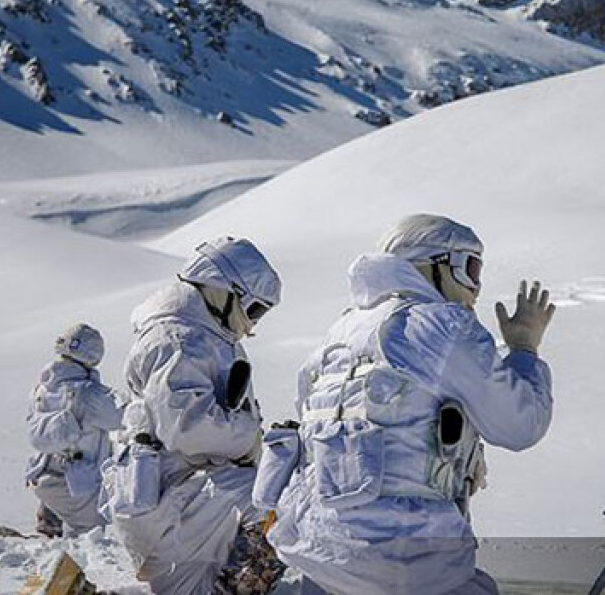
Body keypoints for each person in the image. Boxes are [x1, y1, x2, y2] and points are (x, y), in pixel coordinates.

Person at [261, 213, 556, 595]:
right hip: (406, 560)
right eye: (470, 269)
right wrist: (524, 348)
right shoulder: (442, 325)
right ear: (436, 266)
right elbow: (520, 425)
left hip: (318, 550)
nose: (475, 289)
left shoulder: (336, 336)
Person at [103, 237, 284, 595]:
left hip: (182, 495)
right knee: (277, 498)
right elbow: (189, 430)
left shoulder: (201, 336)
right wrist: (251, 438)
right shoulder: (177, 341)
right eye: (254, 309)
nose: (251, 322)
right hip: (173, 502)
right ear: (224, 292)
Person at [25, 323, 123, 537]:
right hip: (77, 484)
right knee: (85, 543)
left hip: (42, 476)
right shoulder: (90, 395)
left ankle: (50, 524)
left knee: (59, 538)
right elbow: (122, 417)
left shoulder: (41, 390)